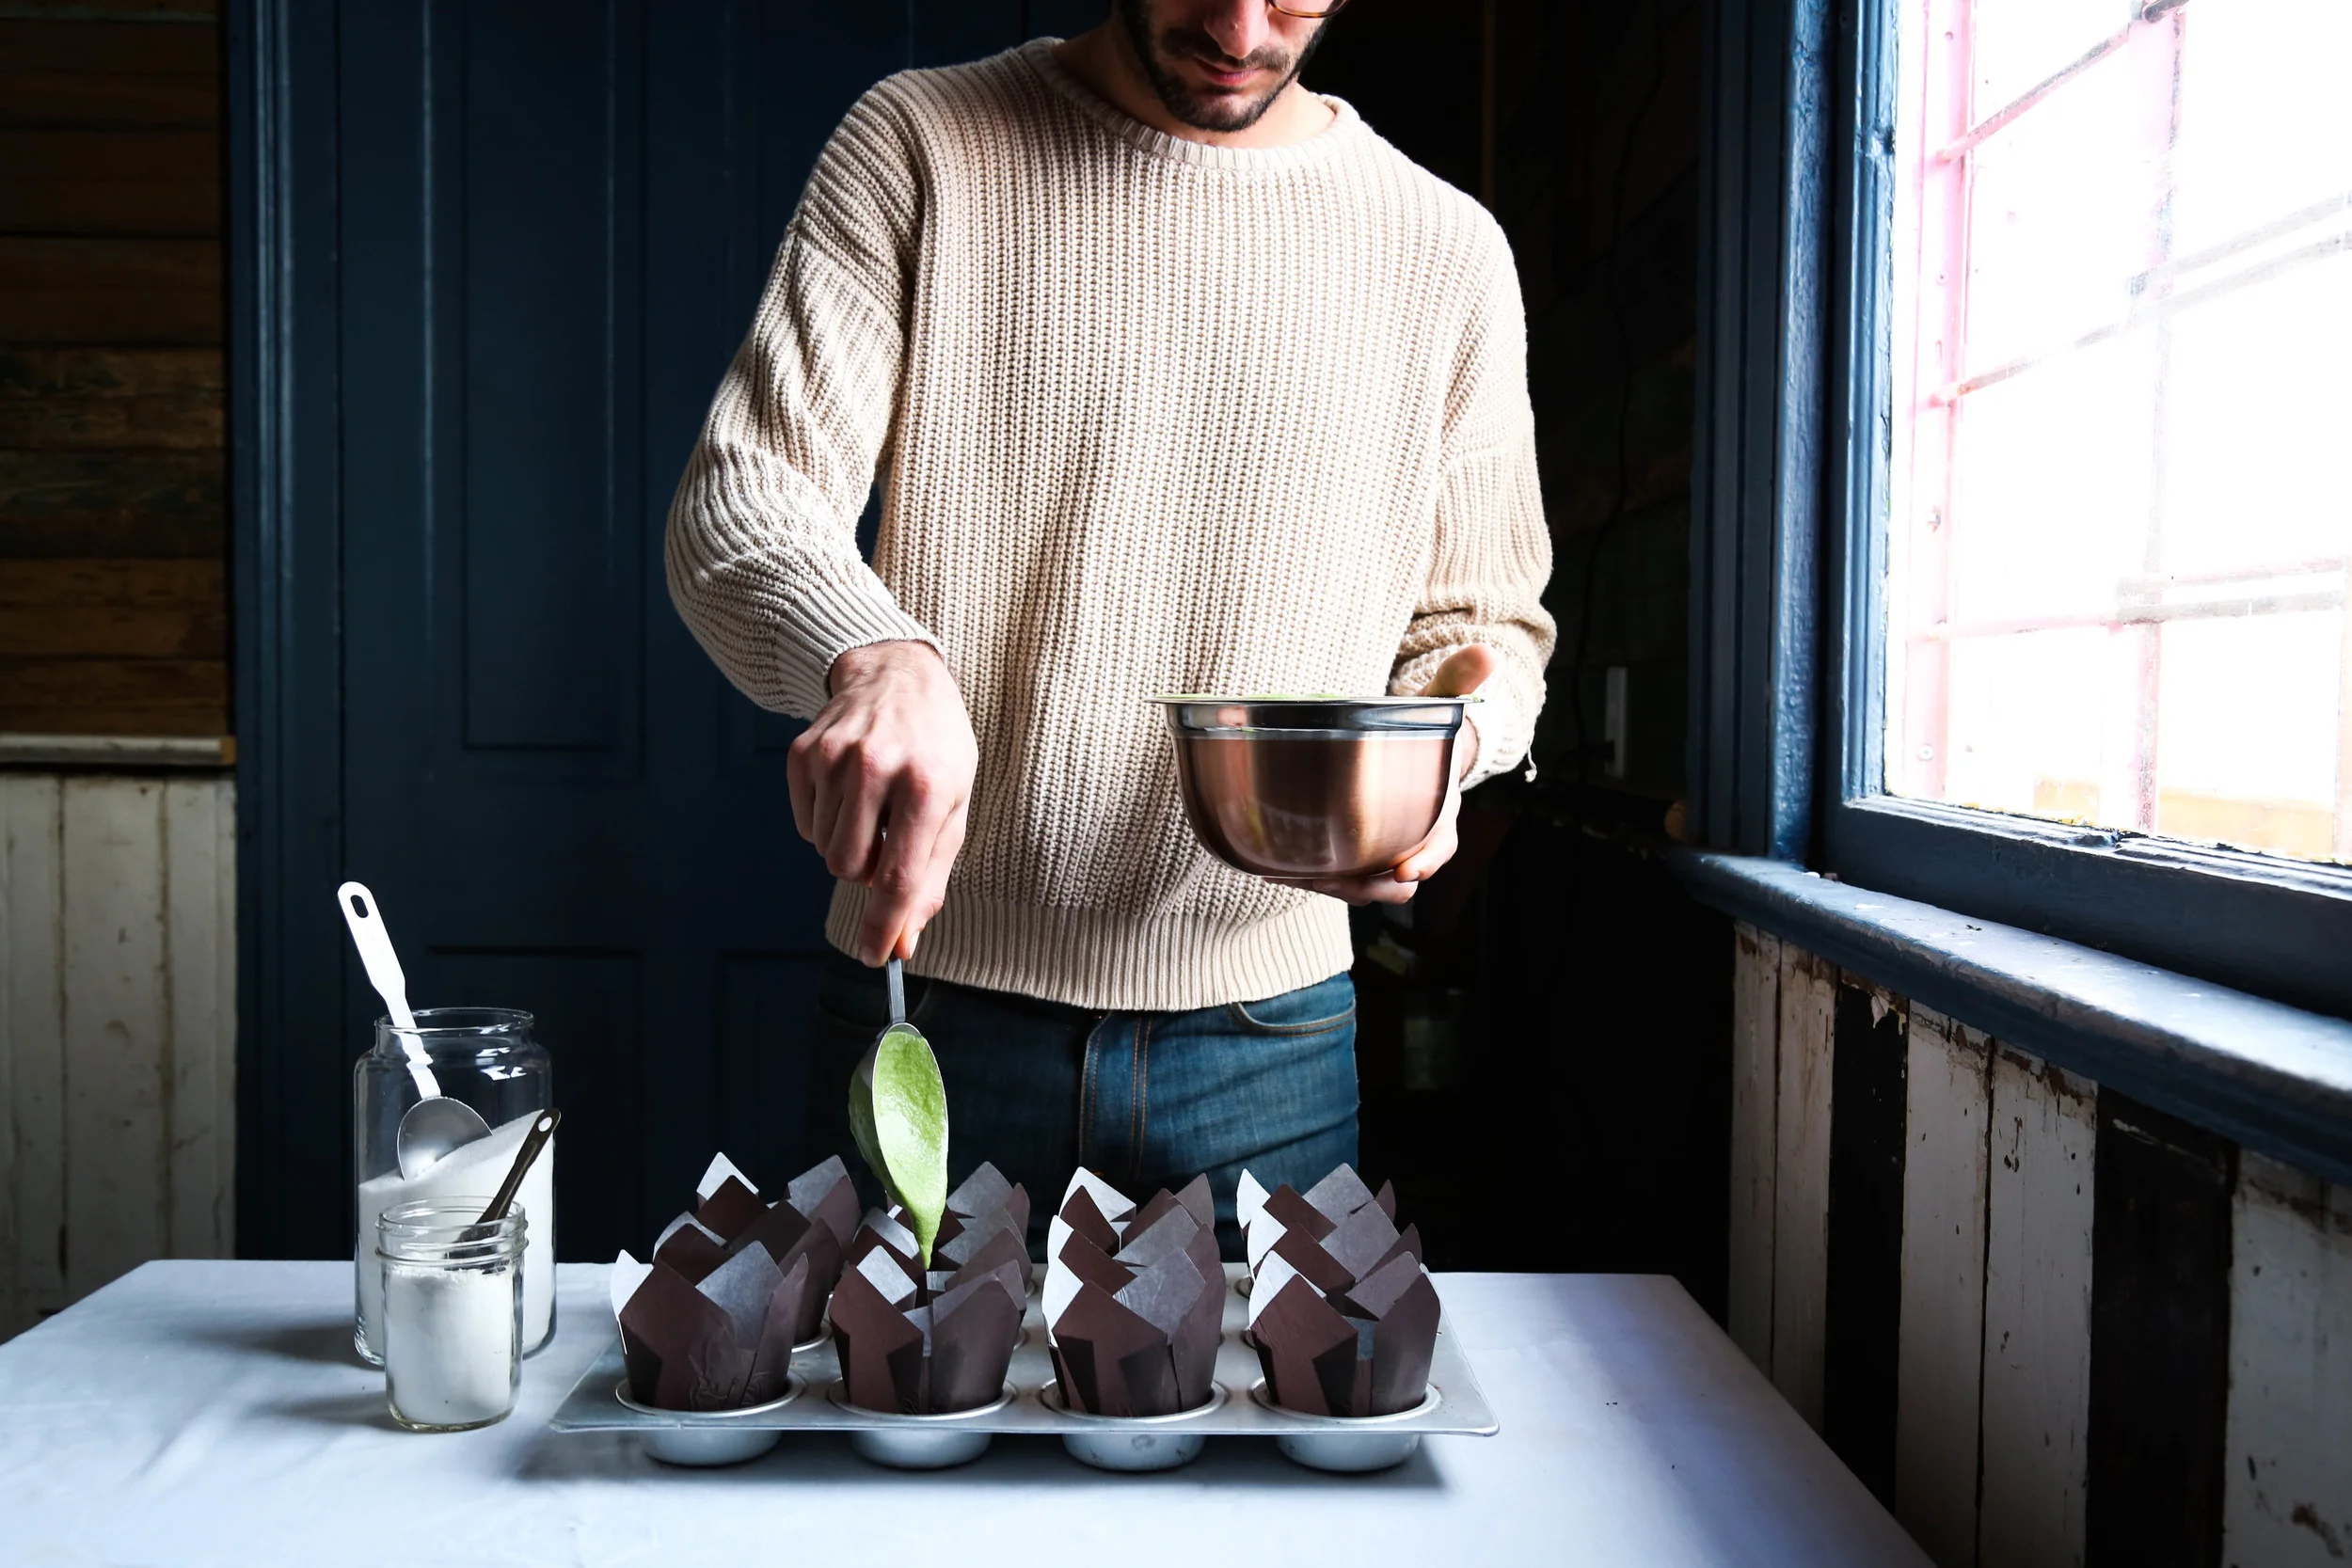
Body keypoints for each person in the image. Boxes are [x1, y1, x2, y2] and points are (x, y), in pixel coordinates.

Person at [665, 0, 1553, 1250]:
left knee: (1258, 1440)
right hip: (933, 1015)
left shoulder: (1447, 253)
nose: (1244, 28)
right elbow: (745, 496)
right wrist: (873, 651)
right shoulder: (921, 143)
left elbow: (1488, 625)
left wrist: (1444, 746)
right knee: (883, 1434)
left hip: (1271, 1043)